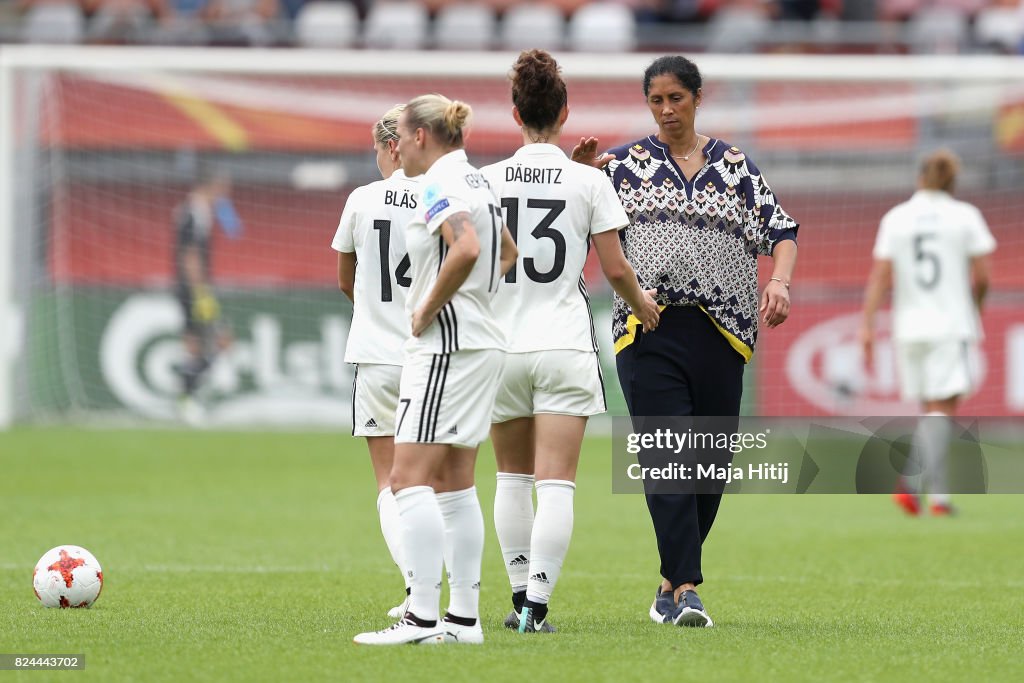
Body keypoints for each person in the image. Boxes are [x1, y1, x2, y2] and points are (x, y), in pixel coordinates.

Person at [572, 55, 798, 627]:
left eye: (676, 98)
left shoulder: (736, 165)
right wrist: (578, 175)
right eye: (656, 100)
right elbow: (575, 217)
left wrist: (778, 280)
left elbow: (782, 231)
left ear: (698, 98)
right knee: (668, 456)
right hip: (647, 327)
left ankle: (668, 584)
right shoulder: (621, 165)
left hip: (724, 334)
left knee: (710, 467)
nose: (667, 110)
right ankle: (689, 590)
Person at [480, 49, 660, 634]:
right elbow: (615, 269)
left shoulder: (483, 181)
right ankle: (537, 606)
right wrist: (643, 306)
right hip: (563, 345)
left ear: (514, 114)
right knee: (556, 481)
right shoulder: (589, 180)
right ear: (564, 112)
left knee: (511, 477)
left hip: (499, 348)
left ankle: (515, 597)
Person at [353, 94, 517, 646]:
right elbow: (508, 254)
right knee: (454, 485)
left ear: (422, 136)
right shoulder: (479, 182)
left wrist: (427, 306)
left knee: (406, 481)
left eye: (400, 132)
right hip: (482, 343)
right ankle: (463, 620)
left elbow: (467, 247)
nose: (395, 145)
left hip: (447, 347)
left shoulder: (437, 184)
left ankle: (421, 616)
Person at [860, 149, 995, 517]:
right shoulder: (965, 216)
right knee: (943, 410)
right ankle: (910, 483)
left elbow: (881, 276)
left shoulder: (897, 217)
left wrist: (867, 326)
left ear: (920, 178)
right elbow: (982, 277)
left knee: (931, 412)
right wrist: (975, 308)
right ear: (952, 182)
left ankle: (938, 497)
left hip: (909, 326)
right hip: (950, 324)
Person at [331, 104, 419, 620]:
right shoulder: (441, 195)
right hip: (431, 353)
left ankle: (416, 590)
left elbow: (347, 277)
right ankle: (448, 594)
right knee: (439, 480)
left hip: (377, 357)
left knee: (389, 481)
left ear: (391, 146)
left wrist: (373, 314)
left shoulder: (362, 200)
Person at [173, 164, 242, 425]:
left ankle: (188, 398)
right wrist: (200, 291)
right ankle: (188, 398)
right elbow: (189, 255)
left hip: (192, 289)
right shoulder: (194, 212)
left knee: (195, 347)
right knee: (219, 342)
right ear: (211, 186)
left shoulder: (194, 211)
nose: (224, 194)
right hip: (194, 290)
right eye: (222, 188)